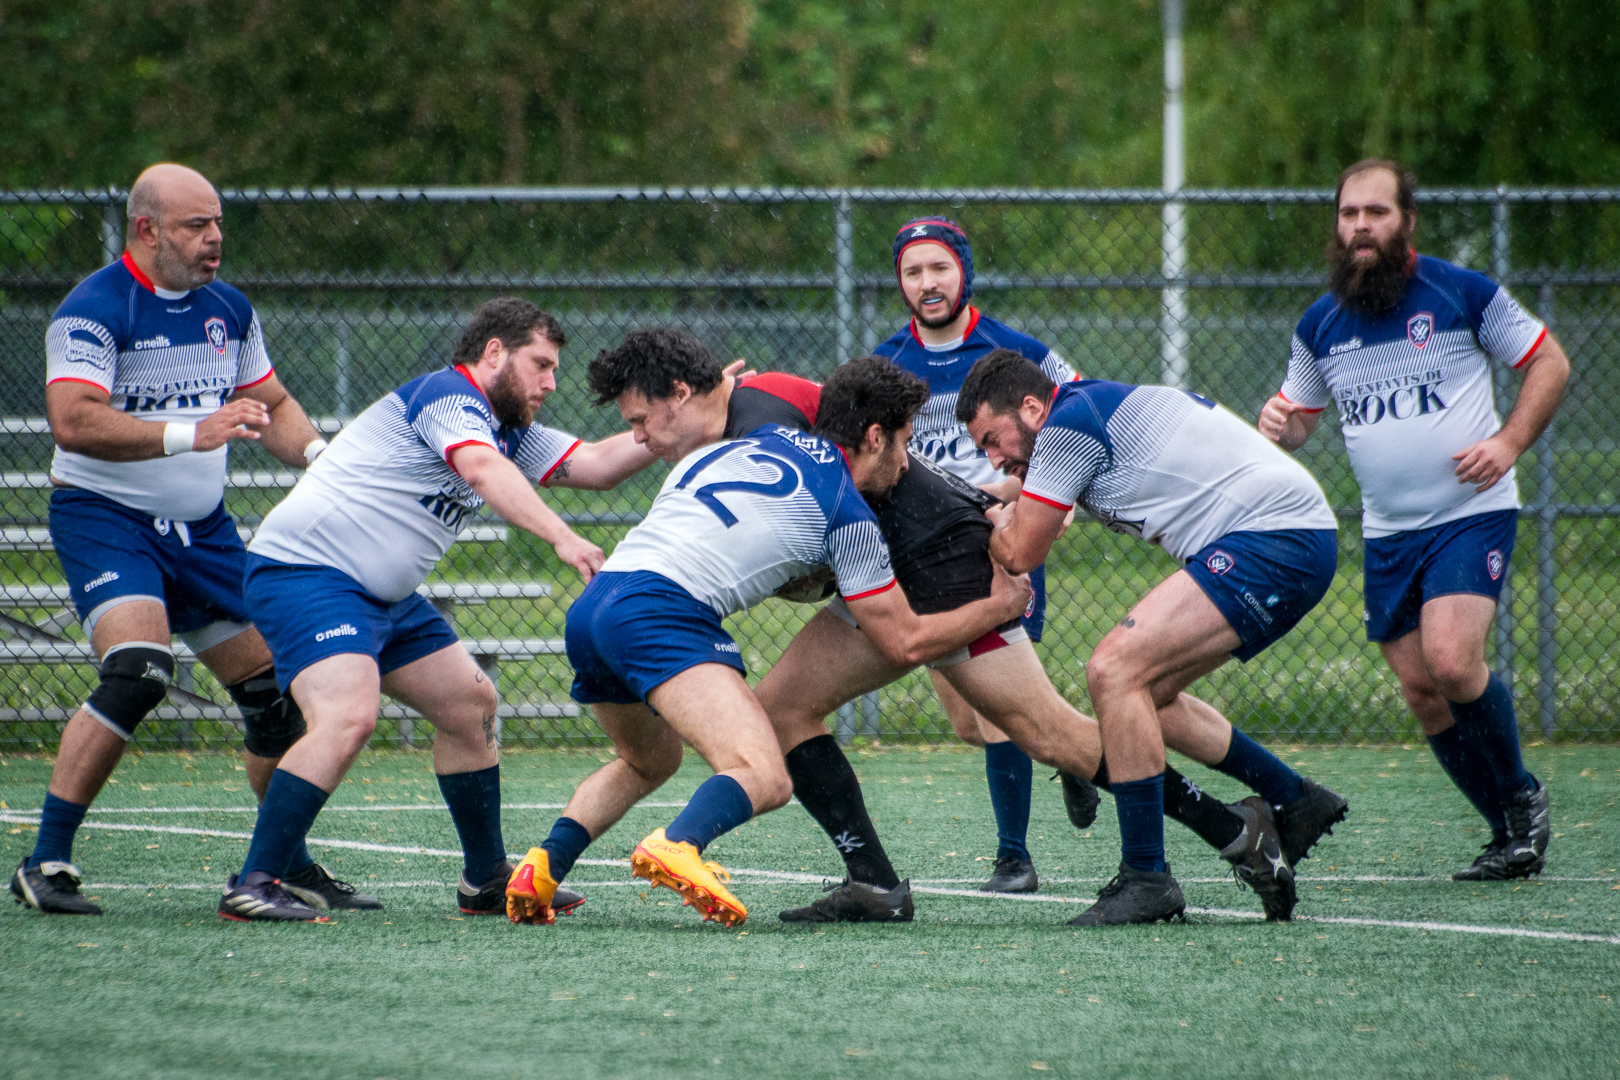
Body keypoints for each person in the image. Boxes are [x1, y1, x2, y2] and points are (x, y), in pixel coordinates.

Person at [554, 331, 1298, 925]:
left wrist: (994, 594)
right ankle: (873, 884)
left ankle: (1235, 830)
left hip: (941, 567)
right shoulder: (721, 435)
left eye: (642, 421)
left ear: (682, 394)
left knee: (1051, 735)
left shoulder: (790, 413)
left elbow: (863, 482)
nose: (641, 439)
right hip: (888, 567)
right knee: (784, 710)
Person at [504, 354, 1033, 929]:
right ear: (874, 438)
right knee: (764, 774)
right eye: (903, 445)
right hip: (658, 611)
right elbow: (904, 643)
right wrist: (998, 606)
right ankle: (678, 844)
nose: (906, 463)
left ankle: (543, 865)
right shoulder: (849, 514)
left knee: (647, 758)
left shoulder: (737, 444)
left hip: (594, 606)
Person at [217, 297, 651, 921]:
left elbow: (600, 465)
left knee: (469, 703)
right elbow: (478, 470)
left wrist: (672, 426)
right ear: (493, 352)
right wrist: (561, 535)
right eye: (541, 365)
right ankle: (254, 883)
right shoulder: (448, 397)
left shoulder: (505, 429)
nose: (551, 383)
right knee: (348, 717)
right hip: (307, 576)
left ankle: (484, 880)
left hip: (381, 595)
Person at [10, 163, 369, 917]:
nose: (214, 241)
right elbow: (74, 420)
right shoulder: (94, 309)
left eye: (217, 224)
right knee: (139, 672)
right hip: (107, 519)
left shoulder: (228, 310)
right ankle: (45, 861)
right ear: (146, 229)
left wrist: (324, 465)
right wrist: (190, 432)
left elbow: (271, 401)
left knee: (278, 697)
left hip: (203, 534)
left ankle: (282, 866)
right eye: (194, 226)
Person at [961, 349, 1349, 926]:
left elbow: (1021, 551)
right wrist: (998, 502)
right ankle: (1294, 798)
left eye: (994, 440)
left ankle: (1147, 876)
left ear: (1032, 408)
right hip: (1292, 535)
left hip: (1274, 537)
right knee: (1146, 698)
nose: (994, 458)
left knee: (1113, 671)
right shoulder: (1082, 412)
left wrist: (989, 521)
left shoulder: (1070, 425)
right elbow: (1033, 502)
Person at [1258, 159, 1568, 882]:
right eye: (1348, 215)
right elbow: (1301, 421)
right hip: (1388, 531)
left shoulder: (1461, 293)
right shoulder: (1322, 321)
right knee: (1422, 690)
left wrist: (1508, 442)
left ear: (1408, 221)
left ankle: (1522, 795)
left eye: (1377, 212)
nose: (1361, 226)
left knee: (1453, 661)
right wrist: (1281, 422)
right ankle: (1507, 834)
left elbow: (1548, 362)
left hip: (1470, 514)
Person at [872, 216, 1076, 893]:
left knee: (996, 714)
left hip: (999, 544)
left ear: (963, 271)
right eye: (913, 272)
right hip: (924, 553)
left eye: (939, 268)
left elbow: (1077, 418)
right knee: (969, 718)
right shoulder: (885, 362)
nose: (927, 284)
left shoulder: (1016, 351)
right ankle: (1079, 751)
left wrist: (1030, 494)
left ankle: (1014, 859)